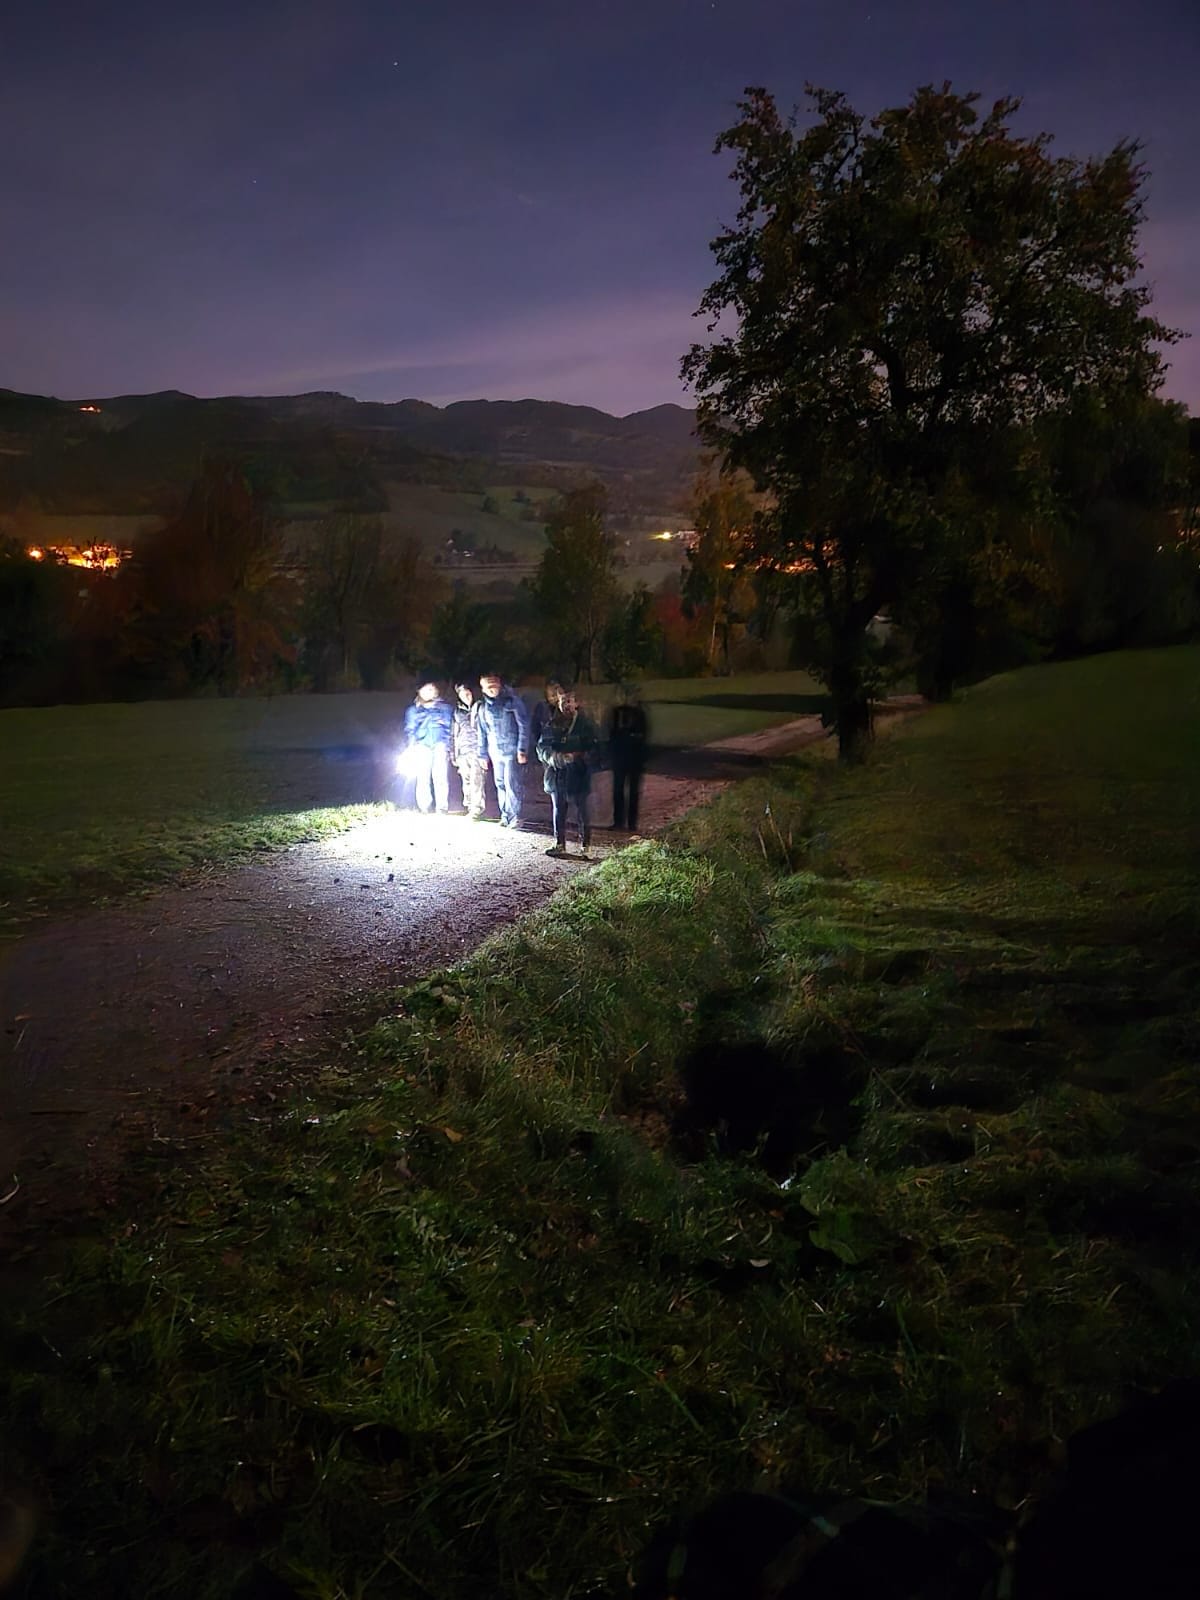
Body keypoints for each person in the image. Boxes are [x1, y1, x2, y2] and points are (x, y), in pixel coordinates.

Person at [537, 688, 598, 857]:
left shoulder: (586, 725)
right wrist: (556, 758)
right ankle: (559, 843)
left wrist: (580, 756)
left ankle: (586, 846)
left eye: (570, 701)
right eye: (563, 701)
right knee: (558, 809)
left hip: (579, 773)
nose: (566, 705)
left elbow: (596, 747)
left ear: (577, 703)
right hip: (557, 773)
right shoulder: (551, 724)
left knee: (582, 811)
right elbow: (542, 747)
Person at [476, 671, 531, 828]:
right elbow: (482, 732)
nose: (492, 688)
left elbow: (523, 726)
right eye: (488, 686)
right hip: (495, 752)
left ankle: (516, 816)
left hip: (512, 750)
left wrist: (522, 749)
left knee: (512, 783)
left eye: (494, 684)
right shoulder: (483, 708)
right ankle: (505, 815)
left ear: (500, 684)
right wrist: (482, 754)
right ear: (483, 688)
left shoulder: (513, 702)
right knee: (500, 783)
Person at [402, 681, 453, 814]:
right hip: (422, 745)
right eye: (425, 689)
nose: (428, 692)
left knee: (440, 776)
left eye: (431, 689)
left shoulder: (445, 708)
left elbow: (449, 728)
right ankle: (424, 806)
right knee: (423, 776)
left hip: (440, 744)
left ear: (436, 691)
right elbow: (410, 730)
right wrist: (412, 747)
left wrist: (448, 745)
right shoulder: (413, 710)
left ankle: (442, 806)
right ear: (419, 691)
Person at [606, 683, 649, 833]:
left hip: (634, 758)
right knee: (618, 790)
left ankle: (631, 823)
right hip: (619, 757)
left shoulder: (639, 713)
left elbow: (642, 735)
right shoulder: (616, 713)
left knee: (633, 791)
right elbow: (610, 733)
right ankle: (618, 821)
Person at [451, 680, 485, 817]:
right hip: (463, 750)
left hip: (477, 749)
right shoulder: (457, 712)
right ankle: (469, 804)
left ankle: (477, 808)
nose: (466, 696)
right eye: (462, 694)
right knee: (466, 779)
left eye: (468, 693)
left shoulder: (481, 707)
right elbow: (453, 733)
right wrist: (453, 752)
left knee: (477, 779)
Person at [529, 678, 564, 767]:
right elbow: (535, 728)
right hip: (548, 749)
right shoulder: (542, 708)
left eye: (558, 693)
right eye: (552, 695)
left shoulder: (568, 707)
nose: (556, 698)